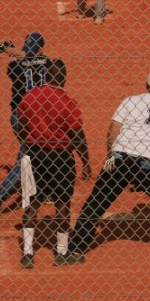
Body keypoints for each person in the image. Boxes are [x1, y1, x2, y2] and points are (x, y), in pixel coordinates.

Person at [57, 68, 150, 265]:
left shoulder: (131, 101)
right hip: (149, 163)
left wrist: (111, 155)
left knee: (96, 202)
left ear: (146, 85)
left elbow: (113, 130)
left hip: (120, 157)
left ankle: (76, 247)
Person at [17, 59, 92, 269]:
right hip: (61, 157)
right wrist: (85, 160)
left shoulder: (30, 97)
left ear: (45, 77)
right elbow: (77, 134)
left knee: (32, 203)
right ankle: (61, 252)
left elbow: (21, 123)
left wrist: (29, 141)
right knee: (62, 204)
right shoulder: (67, 101)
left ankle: (28, 253)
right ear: (64, 78)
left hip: (35, 153)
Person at [0, 32, 58, 217]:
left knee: (37, 152)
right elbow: (37, 59)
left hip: (18, 116)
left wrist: (8, 50)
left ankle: (45, 189)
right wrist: (12, 50)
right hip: (38, 118)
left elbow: (23, 60)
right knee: (26, 158)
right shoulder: (49, 65)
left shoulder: (14, 67)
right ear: (41, 49)